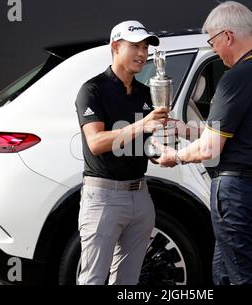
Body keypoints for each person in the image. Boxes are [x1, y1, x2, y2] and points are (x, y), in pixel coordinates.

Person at [155, 1, 252, 285]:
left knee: (245, 277)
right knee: (223, 271)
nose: (215, 51)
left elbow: (210, 148)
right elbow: (240, 133)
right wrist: (185, 130)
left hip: (238, 194)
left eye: (213, 41)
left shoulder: (236, 78)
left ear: (228, 36)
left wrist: (176, 156)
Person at [75, 20, 169, 285]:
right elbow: (96, 142)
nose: (142, 53)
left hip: (140, 197)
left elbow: (145, 142)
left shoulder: (144, 92)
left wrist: (168, 152)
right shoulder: (92, 90)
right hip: (103, 198)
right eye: (135, 46)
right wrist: (142, 124)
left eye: (145, 47)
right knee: (92, 280)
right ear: (116, 47)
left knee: (128, 282)